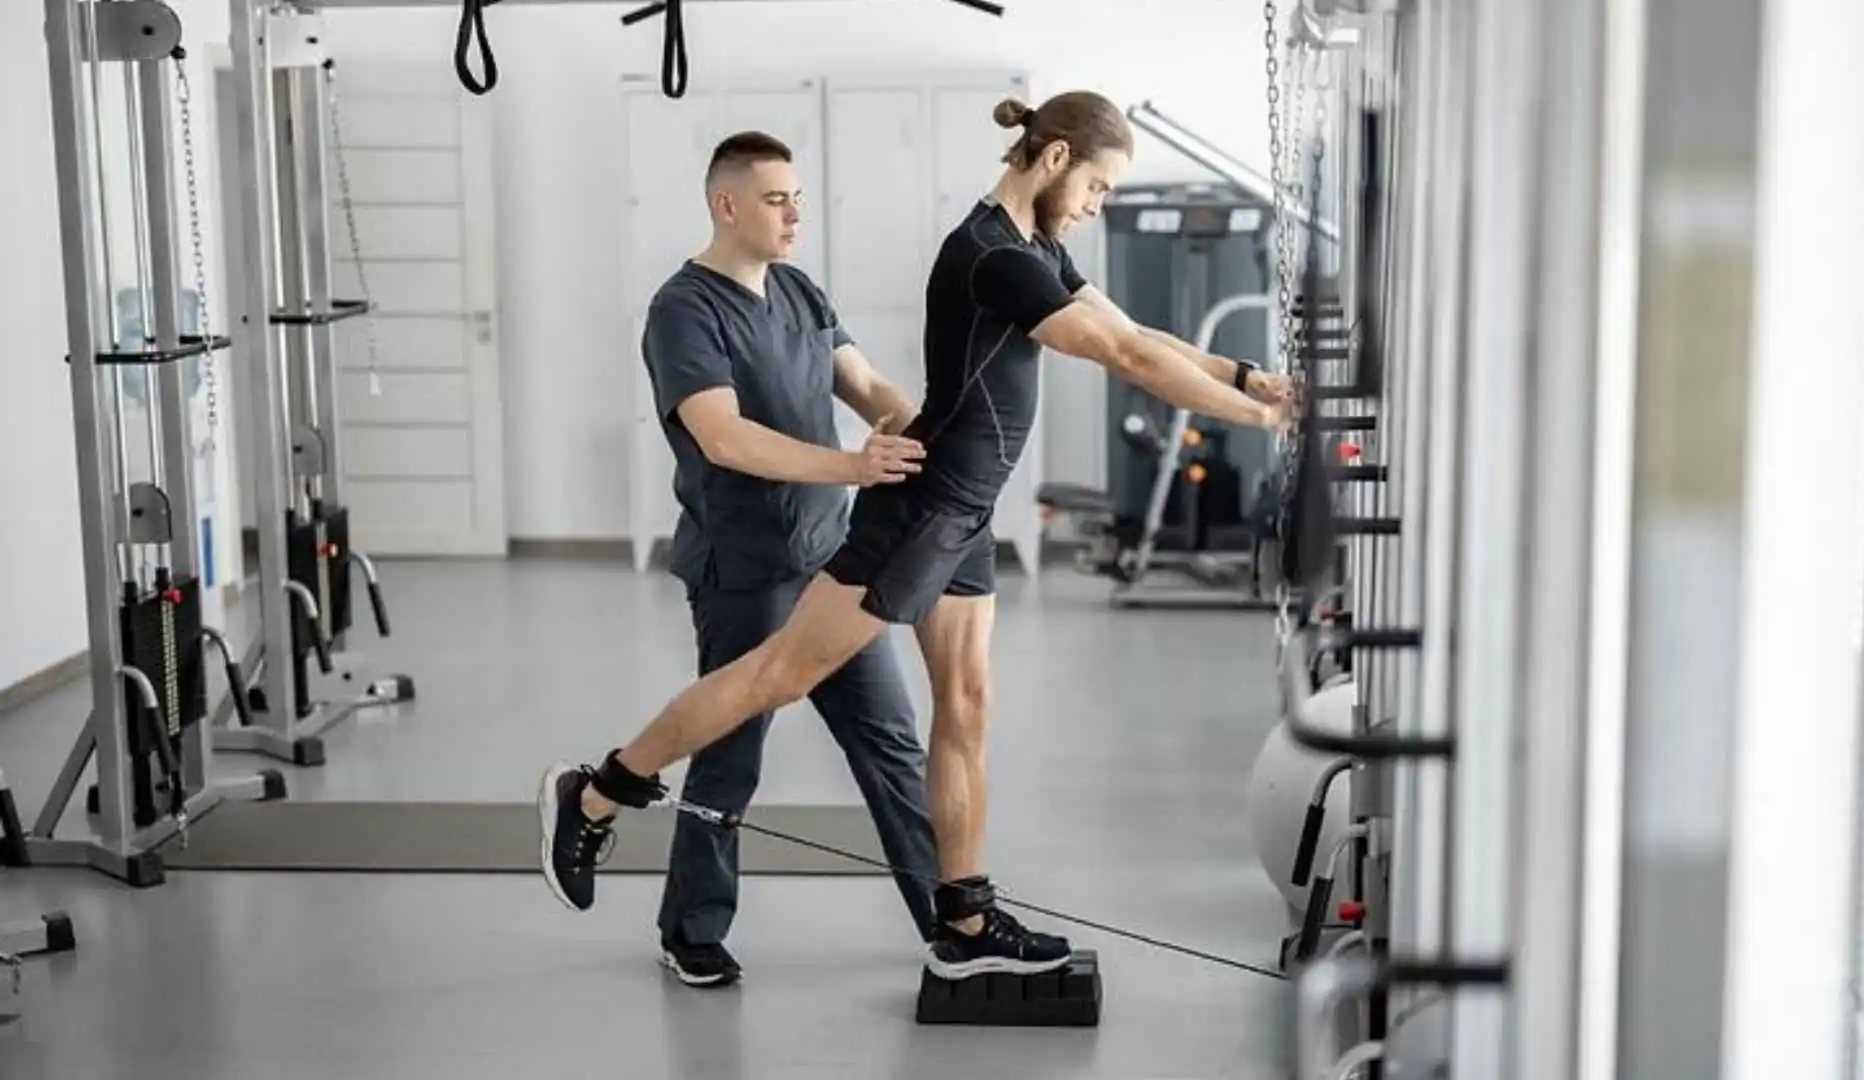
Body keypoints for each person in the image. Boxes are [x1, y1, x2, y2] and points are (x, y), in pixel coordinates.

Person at [540, 92, 1299, 980]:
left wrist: (1252, 375)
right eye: (1097, 184)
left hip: (960, 511)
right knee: (767, 683)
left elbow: (1132, 330)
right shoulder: (990, 256)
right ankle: (596, 794)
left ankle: (966, 919)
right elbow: (1121, 358)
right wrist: (1257, 419)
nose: (1099, 205)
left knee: (963, 709)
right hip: (913, 515)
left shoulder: (1033, 249)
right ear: (1051, 160)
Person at [542, 130, 944, 988]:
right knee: (731, 755)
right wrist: (852, 464)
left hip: (832, 560)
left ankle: (952, 918)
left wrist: (923, 432)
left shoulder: (797, 288)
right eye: (775, 198)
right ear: (726, 205)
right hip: (747, 564)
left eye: (798, 196)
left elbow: (865, 386)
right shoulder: (683, 309)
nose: (795, 212)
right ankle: (690, 927)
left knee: (891, 744)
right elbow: (722, 438)